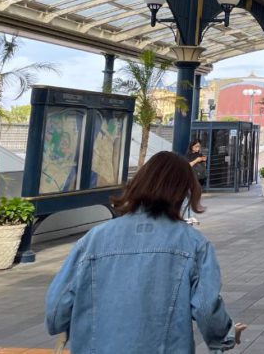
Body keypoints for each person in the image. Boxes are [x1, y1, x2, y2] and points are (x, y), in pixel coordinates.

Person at [45, 151, 245, 352]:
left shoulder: (93, 239)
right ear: (183, 193)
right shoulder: (194, 244)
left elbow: (55, 312)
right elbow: (206, 309)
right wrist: (223, 337)